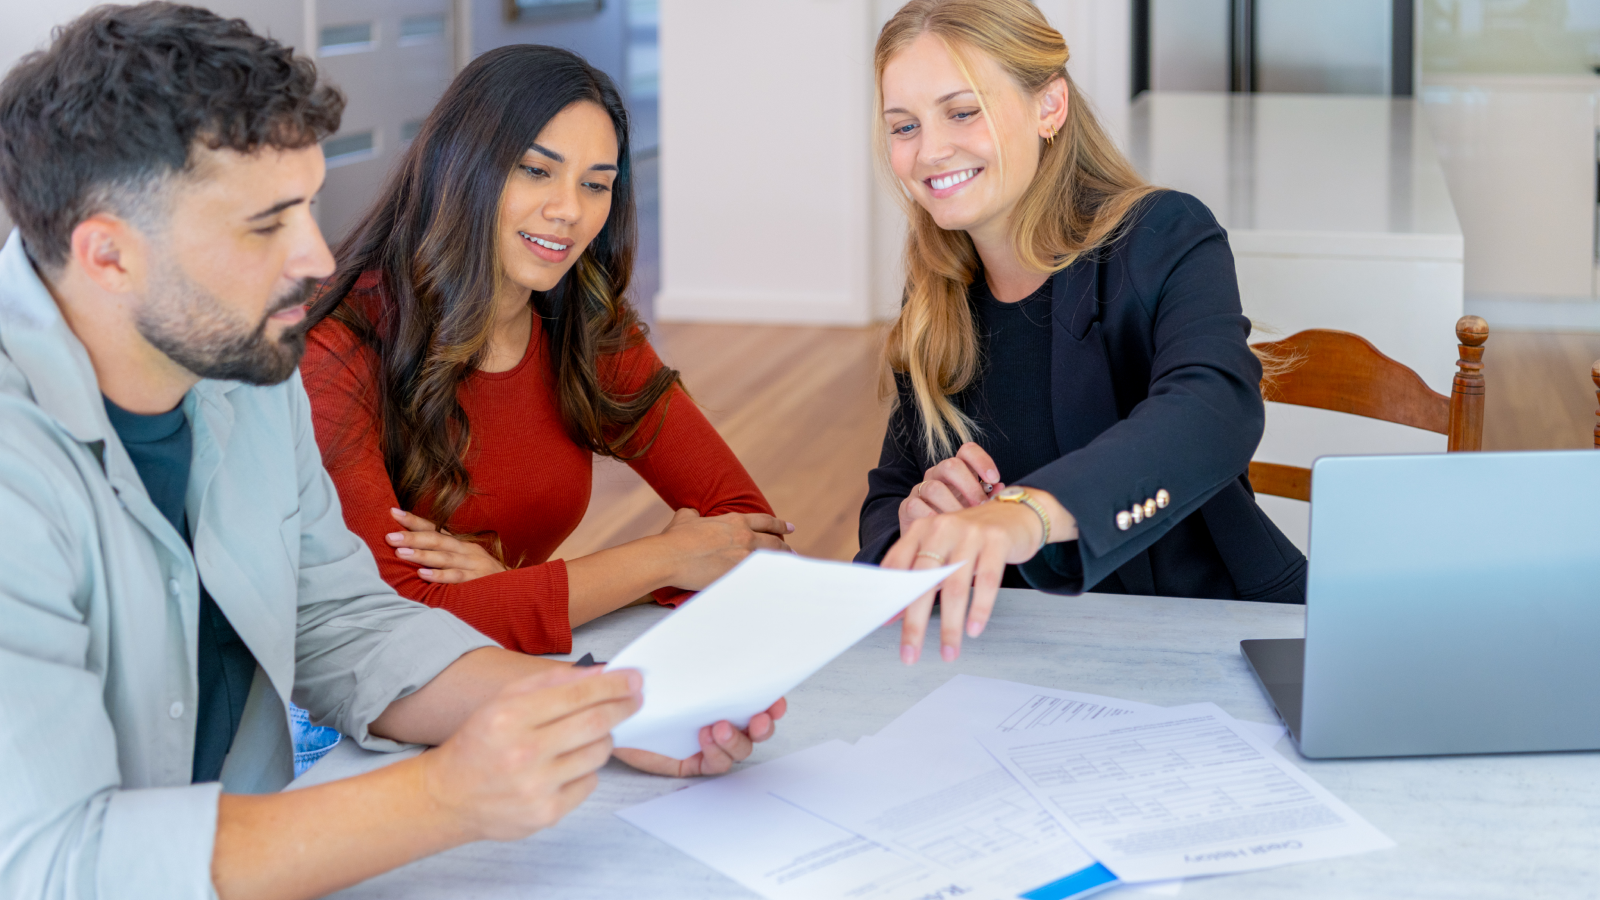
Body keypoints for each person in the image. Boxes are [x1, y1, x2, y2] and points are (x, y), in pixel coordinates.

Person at [0, 6, 781, 899]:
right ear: (108, 256)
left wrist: (595, 708)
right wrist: (447, 795)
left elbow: (346, 624)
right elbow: (53, 862)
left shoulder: (244, 369)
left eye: (308, 206)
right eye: (267, 226)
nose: (316, 255)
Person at [302, 45, 792, 655]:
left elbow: (751, 538)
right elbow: (395, 624)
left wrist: (512, 590)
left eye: (596, 185)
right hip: (337, 717)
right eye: (536, 170)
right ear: (461, 165)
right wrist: (664, 557)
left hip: (505, 673)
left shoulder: (581, 321)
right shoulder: (337, 343)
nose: (569, 211)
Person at [858, 0, 1307, 666]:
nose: (929, 151)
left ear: (1050, 107)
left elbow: (1213, 410)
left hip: (1212, 638)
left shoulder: (1163, 235)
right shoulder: (937, 295)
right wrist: (915, 526)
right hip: (1021, 655)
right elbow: (891, 492)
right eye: (904, 126)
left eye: (963, 111)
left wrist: (1026, 515)